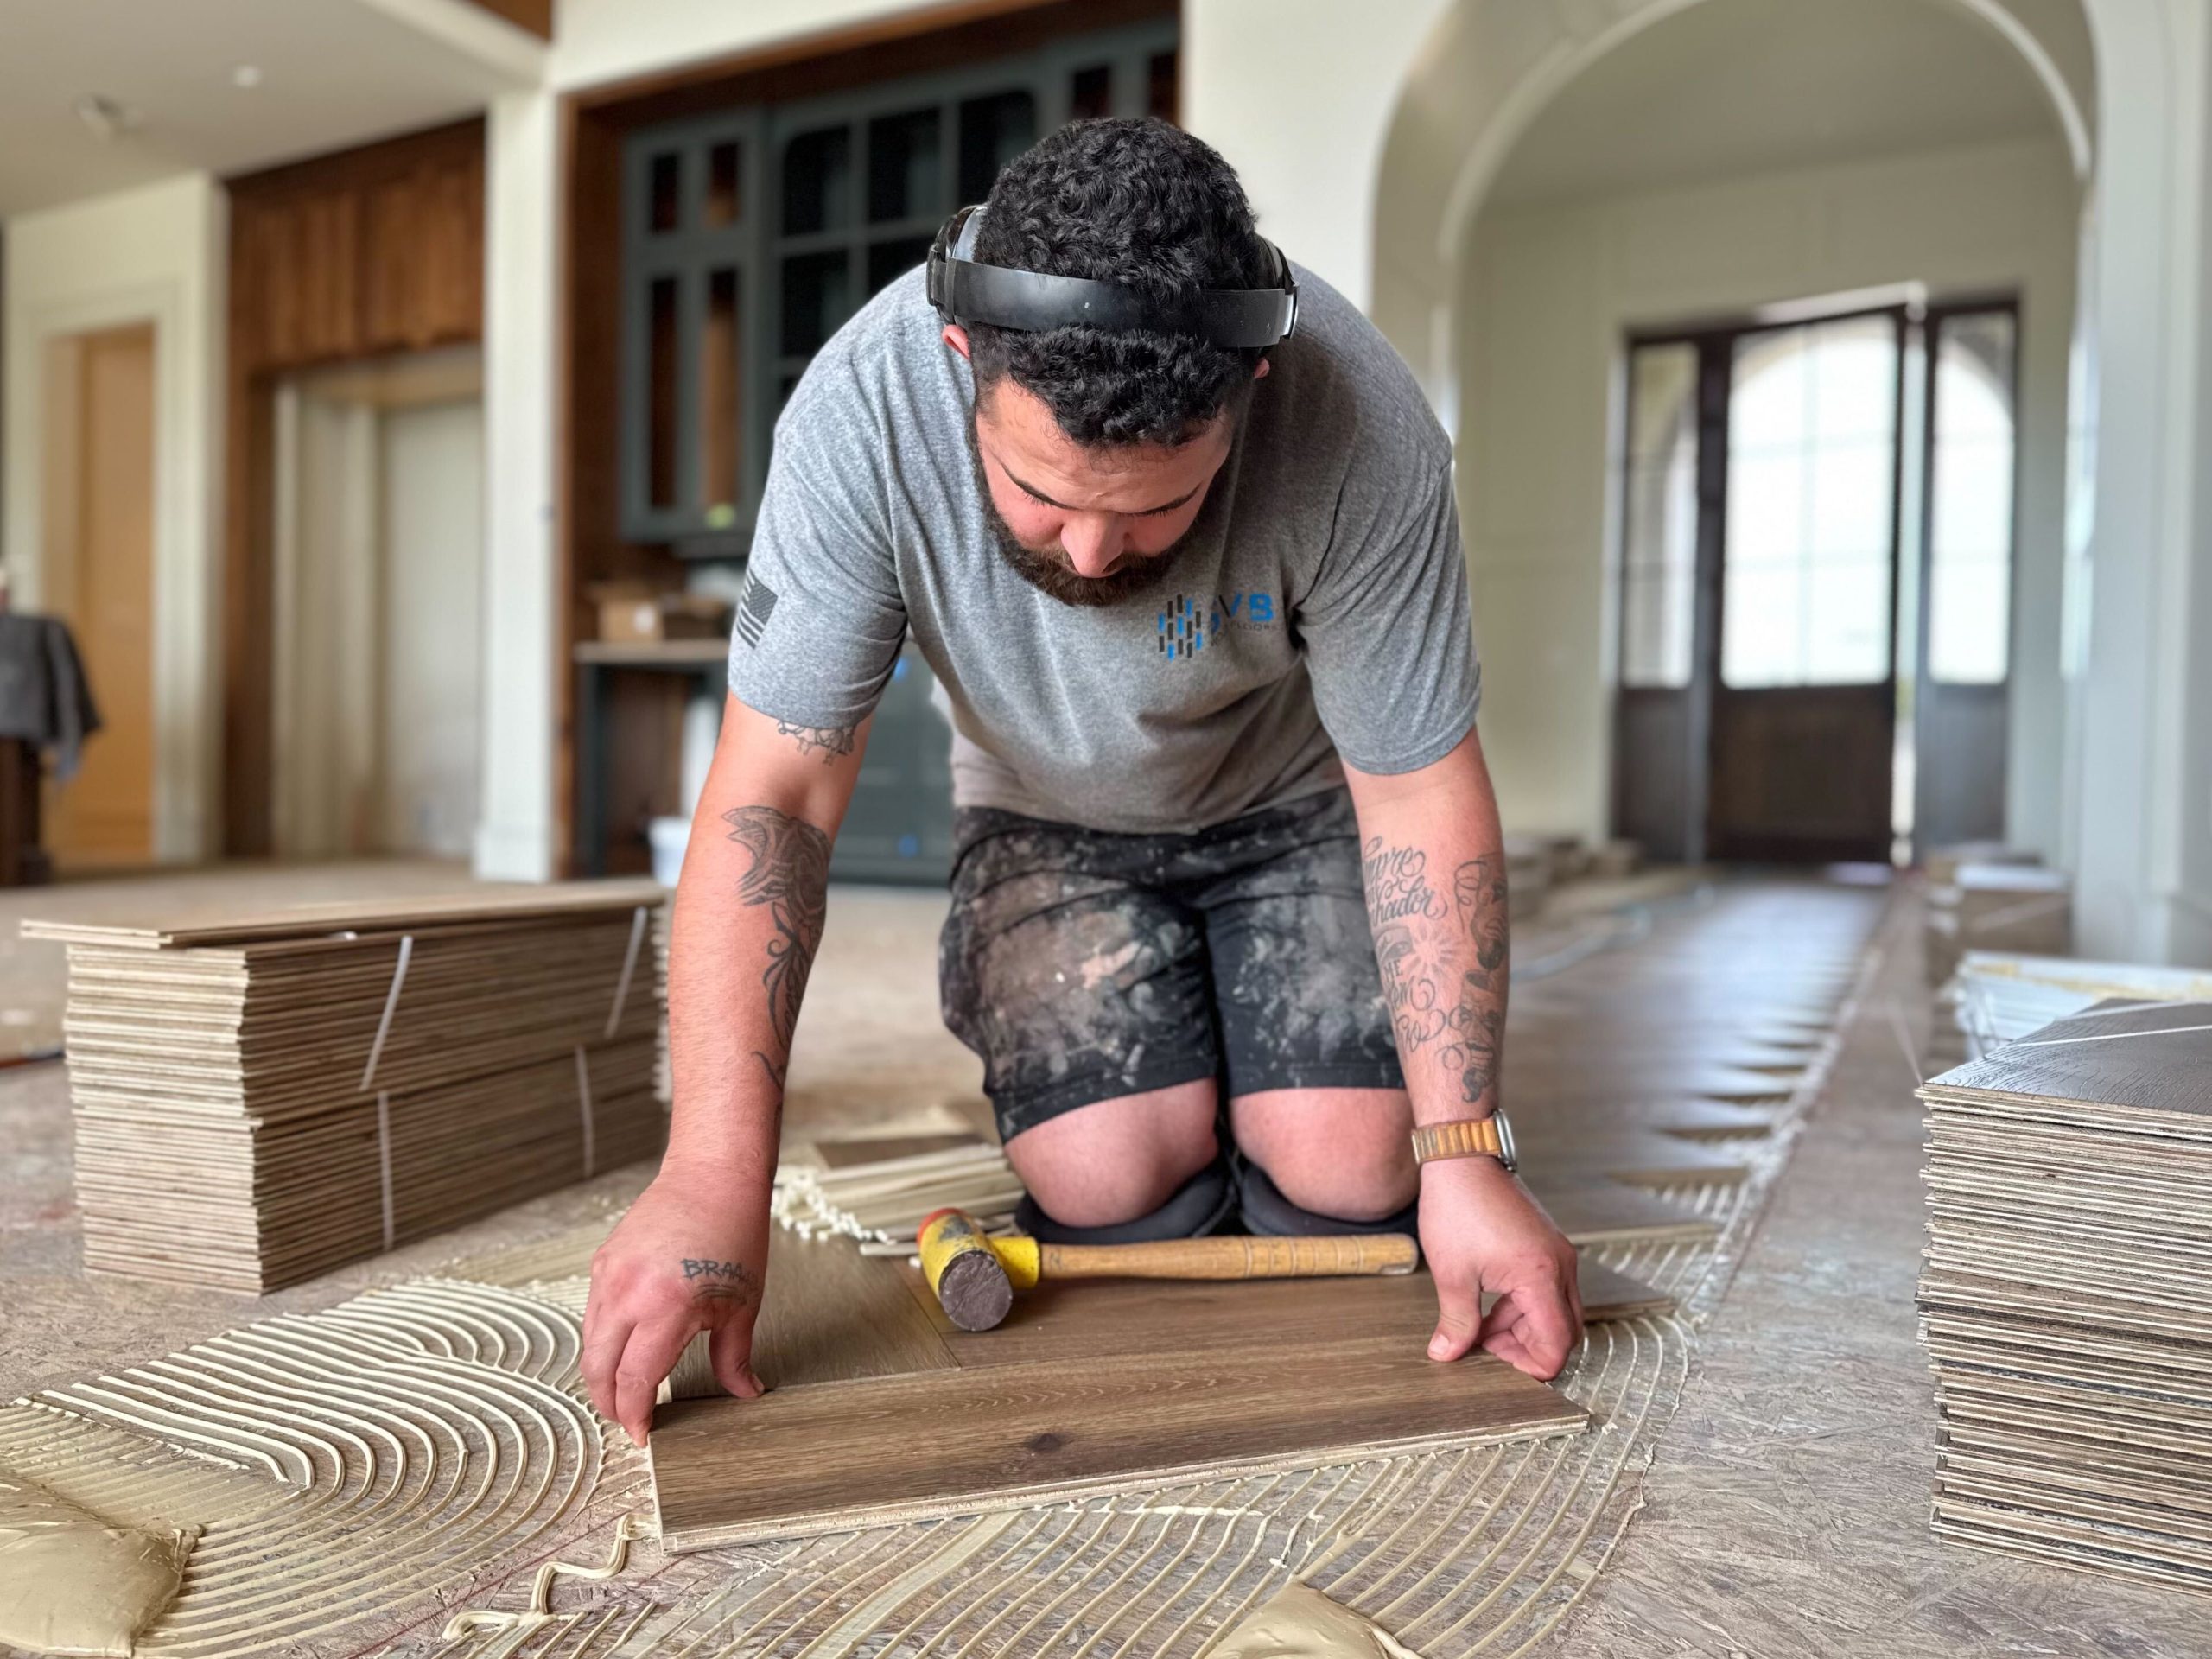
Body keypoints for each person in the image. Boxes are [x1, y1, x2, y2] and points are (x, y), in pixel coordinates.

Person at [582, 117, 1580, 1447]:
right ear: (963, 367)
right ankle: (1203, 1095)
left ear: (1253, 386)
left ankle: (1289, 1103)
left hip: (1294, 804)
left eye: (1158, 508)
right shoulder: (861, 412)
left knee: (1350, 1167)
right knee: (1105, 1175)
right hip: (1046, 813)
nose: (1098, 555)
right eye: (1043, 494)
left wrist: (1468, 1158)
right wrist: (711, 1178)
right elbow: (775, 799)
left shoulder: (1366, 425)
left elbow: (1413, 792)